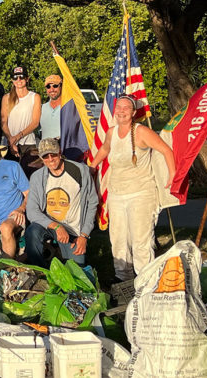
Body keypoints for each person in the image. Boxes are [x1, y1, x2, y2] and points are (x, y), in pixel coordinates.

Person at [90, 94, 175, 281]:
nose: (121, 111)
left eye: (126, 108)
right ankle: (123, 280)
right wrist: (92, 167)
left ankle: (145, 281)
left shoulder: (141, 132)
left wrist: (172, 175)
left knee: (140, 242)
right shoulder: (112, 132)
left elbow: (166, 150)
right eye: (118, 107)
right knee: (118, 240)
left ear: (134, 112)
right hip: (116, 194)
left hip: (141, 193)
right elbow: (105, 148)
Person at [25, 138, 98, 267]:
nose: (50, 159)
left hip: (73, 229)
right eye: (45, 156)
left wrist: (84, 236)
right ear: (41, 158)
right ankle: (42, 272)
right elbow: (31, 211)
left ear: (59, 152)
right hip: (49, 225)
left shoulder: (80, 171)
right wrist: (57, 226)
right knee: (32, 232)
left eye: (53, 154)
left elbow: (92, 203)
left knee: (77, 270)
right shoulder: (37, 177)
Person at [1, 65, 42, 177]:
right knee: (11, 177)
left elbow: (35, 123)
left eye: (21, 77)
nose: (18, 80)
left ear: (27, 79)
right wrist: (11, 140)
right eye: (15, 77)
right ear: (12, 80)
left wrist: (17, 137)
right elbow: (4, 123)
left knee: (30, 175)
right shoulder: (6, 98)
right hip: (10, 144)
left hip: (28, 143)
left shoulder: (35, 97)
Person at [40, 74, 62, 140]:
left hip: (64, 149)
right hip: (45, 149)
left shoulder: (68, 107)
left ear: (61, 86)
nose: (51, 89)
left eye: (55, 86)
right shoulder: (42, 108)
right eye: (48, 86)